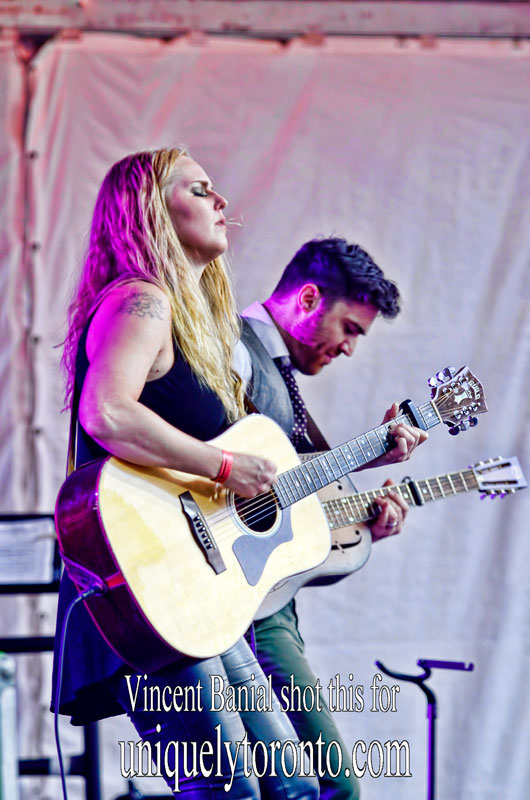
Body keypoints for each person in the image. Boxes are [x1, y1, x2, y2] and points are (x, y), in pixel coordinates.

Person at [52, 147, 319, 800]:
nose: (221, 201)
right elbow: (107, 412)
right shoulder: (140, 301)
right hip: (142, 586)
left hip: (194, 592)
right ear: (149, 209)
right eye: (200, 189)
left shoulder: (196, 325)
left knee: (292, 787)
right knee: (230, 791)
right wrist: (226, 464)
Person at [234, 237, 428, 799]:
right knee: (329, 786)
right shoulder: (234, 352)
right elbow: (225, 482)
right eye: (349, 329)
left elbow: (279, 495)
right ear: (309, 297)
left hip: (268, 603)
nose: (348, 349)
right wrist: (370, 452)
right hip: (240, 607)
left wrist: (368, 519)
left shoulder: (273, 370)